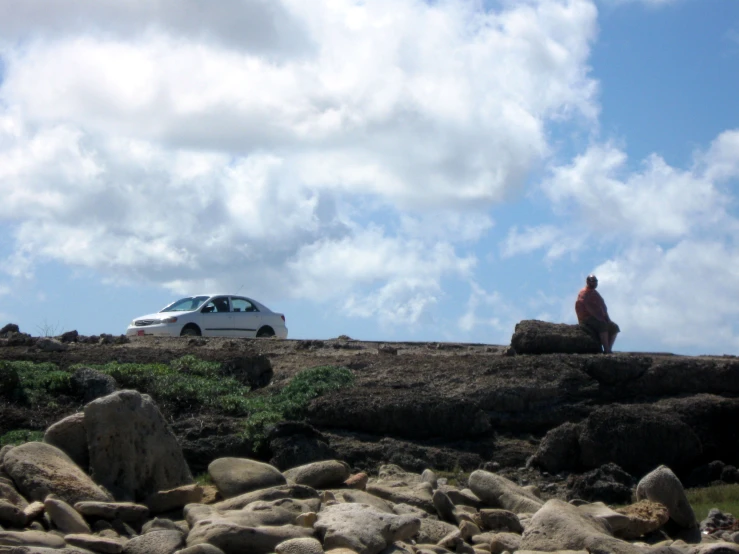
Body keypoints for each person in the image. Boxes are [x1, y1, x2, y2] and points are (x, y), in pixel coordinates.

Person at [575, 274, 620, 353]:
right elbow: (586, 305)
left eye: (596, 281)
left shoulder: (595, 293)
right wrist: (598, 317)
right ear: (588, 282)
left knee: (614, 327)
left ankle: (608, 349)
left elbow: (603, 306)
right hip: (586, 318)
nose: (595, 283)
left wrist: (608, 319)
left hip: (599, 317)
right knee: (602, 325)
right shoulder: (584, 292)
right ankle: (606, 348)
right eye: (592, 281)